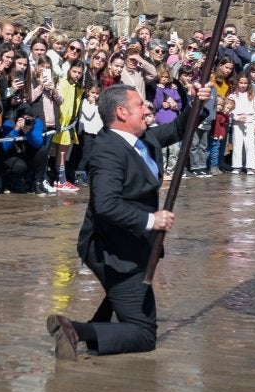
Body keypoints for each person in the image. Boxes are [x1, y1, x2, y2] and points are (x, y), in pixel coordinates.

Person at [45, 80, 209, 360]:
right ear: (121, 112)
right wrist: (150, 220)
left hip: (134, 245)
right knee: (143, 332)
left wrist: (197, 103)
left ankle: (92, 326)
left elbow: (181, 128)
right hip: (111, 249)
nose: (147, 109)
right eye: (139, 105)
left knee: (123, 300)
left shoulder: (146, 139)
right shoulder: (107, 151)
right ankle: (74, 330)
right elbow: (106, 205)